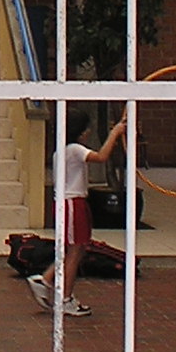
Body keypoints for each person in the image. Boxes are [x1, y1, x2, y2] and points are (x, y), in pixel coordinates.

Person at [29, 113, 126, 317]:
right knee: (75, 250)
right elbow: (101, 157)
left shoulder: (61, 151)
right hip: (72, 203)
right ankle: (65, 298)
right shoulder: (74, 149)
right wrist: (115, 133)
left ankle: (46, 279)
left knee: (78, 248)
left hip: (73, 202)